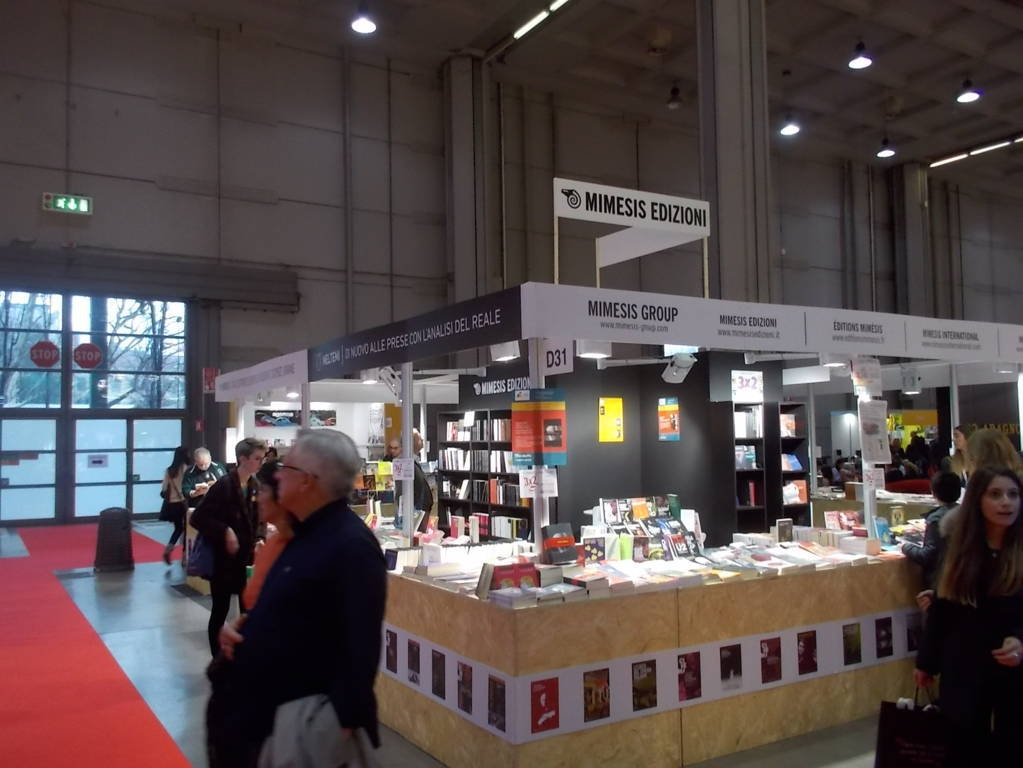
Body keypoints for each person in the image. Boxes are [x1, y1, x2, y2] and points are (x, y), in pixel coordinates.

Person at [208, 429, 386, 768]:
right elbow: (298, 611)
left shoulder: (351, 546)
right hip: (266, 716)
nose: (276, 476)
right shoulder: (303, 534)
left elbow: (361, 646)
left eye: (286, 468)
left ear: (307, 480)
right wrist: (244, 628)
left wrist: (333, 726)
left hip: (300, 728)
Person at [915, 467, 1023, 762]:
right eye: (995, 494)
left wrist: (1019, 640)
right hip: (965, 665)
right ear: (977, 500)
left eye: (1013, 494)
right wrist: (926, 662)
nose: (1006, 502)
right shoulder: (961, 549)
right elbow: (944, 607)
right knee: (964, 746)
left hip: (1013, 670)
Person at [191, 437, 267, 658]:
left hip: (245, 559)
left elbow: (259, 518)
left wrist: (259, 537)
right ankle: (217, 657)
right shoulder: (224, 485)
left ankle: (243, 655)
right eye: (257, 458)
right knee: (221, 609)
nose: (261, 463)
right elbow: (198, 517)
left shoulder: (254, 485)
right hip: (222, 560)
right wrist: (225, 530)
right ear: (243, 459)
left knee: (247, 609)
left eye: (262, 458)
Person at [902, 471, 961, 590]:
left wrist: (905, 547)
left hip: (940, 583)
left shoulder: (936, 519)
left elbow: (927, 555)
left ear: (934, 493)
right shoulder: (967, 513)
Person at [393, 429, 434, 532]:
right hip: (413, 517)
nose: (422, 440)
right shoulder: (403, 461)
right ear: (411, 441)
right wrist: (405, 516)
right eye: (419, 438)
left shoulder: (413, 460)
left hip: (419, 514)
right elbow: (401, 492)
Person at [159, 446, 192, 565]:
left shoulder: (169, 470)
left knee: (178, 528)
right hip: (183, 504)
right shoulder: (187, 469)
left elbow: (163, 490)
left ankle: (169, 548)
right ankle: (185, 556)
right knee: (187, 530)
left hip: (172, 505)